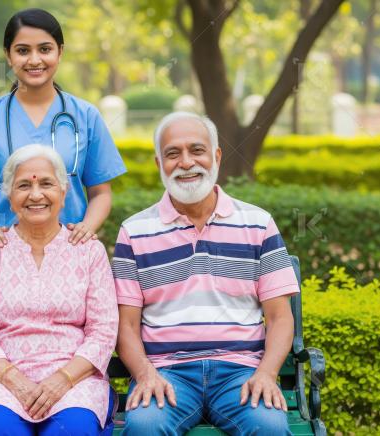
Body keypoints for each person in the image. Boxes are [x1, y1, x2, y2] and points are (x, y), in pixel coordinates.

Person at [113, 112, 298, 436]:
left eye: (196, 150)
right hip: (167, 375)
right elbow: (125, 324)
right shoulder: (135, 231)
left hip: (241, 373)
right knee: (143, 427)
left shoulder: (257, 224)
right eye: (173, 153)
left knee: (270, 428)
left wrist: (267, 373)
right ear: (159, 164)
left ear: (216, 156)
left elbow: (280, 318)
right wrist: (144, 374)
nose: (186, 162)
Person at [0, 144, 119, 435]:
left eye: (46, 183)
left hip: (75, 381)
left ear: (63, 192)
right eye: (23, 185)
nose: (35, 195)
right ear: (9, 196)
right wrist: (15, 381)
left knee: (71, 431)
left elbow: (104, 331)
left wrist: (61, 380)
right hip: (0, 382)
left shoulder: (88, 250)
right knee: (0, 430)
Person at [0, 8, 126, 247]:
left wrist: (86, 229)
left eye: (45, 49)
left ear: (60, 52)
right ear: (8, 56)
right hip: (3, 252)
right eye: (22, 51)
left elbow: (101, 193)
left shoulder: (86, 116)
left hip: (69, 249)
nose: (34, 60)